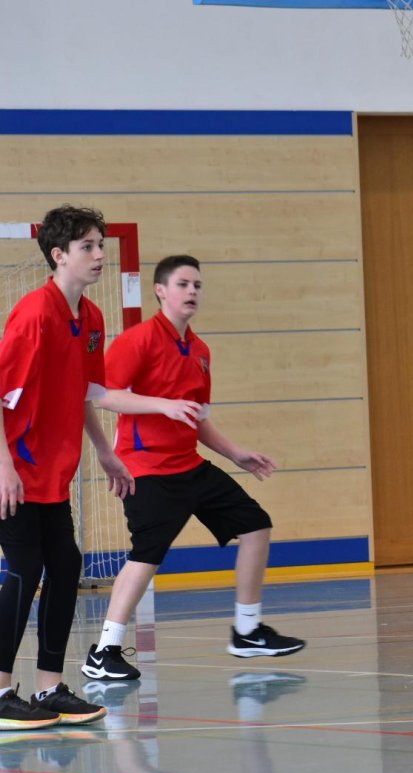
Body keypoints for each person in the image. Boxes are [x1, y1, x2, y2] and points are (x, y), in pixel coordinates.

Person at [0, 206, 198, 729]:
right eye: (87, 246)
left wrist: (106, 451)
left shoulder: (90, 318)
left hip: (52, 474)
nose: (99, 255)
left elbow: (89, 391)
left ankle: (48, 688)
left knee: (65, 566)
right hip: (13, 471)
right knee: (23, 571)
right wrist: (4, 467)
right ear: (58, 255)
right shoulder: (34, 314)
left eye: (100, 246)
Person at [81, 255, 305, 684]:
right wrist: (161, 405)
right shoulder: (138, 340)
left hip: (190, 466)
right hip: (146, 467)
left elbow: (197, 417)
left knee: (255, 525)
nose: (192, 292)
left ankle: (247, 631)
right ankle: (104, 651)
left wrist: (235, 453)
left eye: (197, 285)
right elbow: (104, 395)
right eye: (183, 284)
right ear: (160, 290)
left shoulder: (200, 351)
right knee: (148, 554)